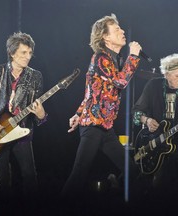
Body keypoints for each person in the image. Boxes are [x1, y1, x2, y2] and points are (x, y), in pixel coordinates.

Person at [61, 14, 142, 205]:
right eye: (117, 30)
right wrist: (134, 56)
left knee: (132, 170)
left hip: (105, 127)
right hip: (93, 126)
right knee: (79, 173)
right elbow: (121, 82)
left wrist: (78, 113)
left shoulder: (113, 59)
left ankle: (115, 188)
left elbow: (91, 92)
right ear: (105, 37)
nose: (123, 32)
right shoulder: (100, 58)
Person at [0, 32, 47, 203]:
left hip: (22, 132)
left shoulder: (35, 76)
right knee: (3, 179)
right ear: (12, 52)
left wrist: (42, 115)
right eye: (24, 52)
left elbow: (38, 113)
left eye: (30, 53)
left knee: (30, 177)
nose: (28, 57)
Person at [132, 53, 178, 206]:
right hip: (158, 145)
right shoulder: (153, 85)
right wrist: (146, 120)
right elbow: (136, 111)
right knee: (158, 187)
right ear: (166, 74)